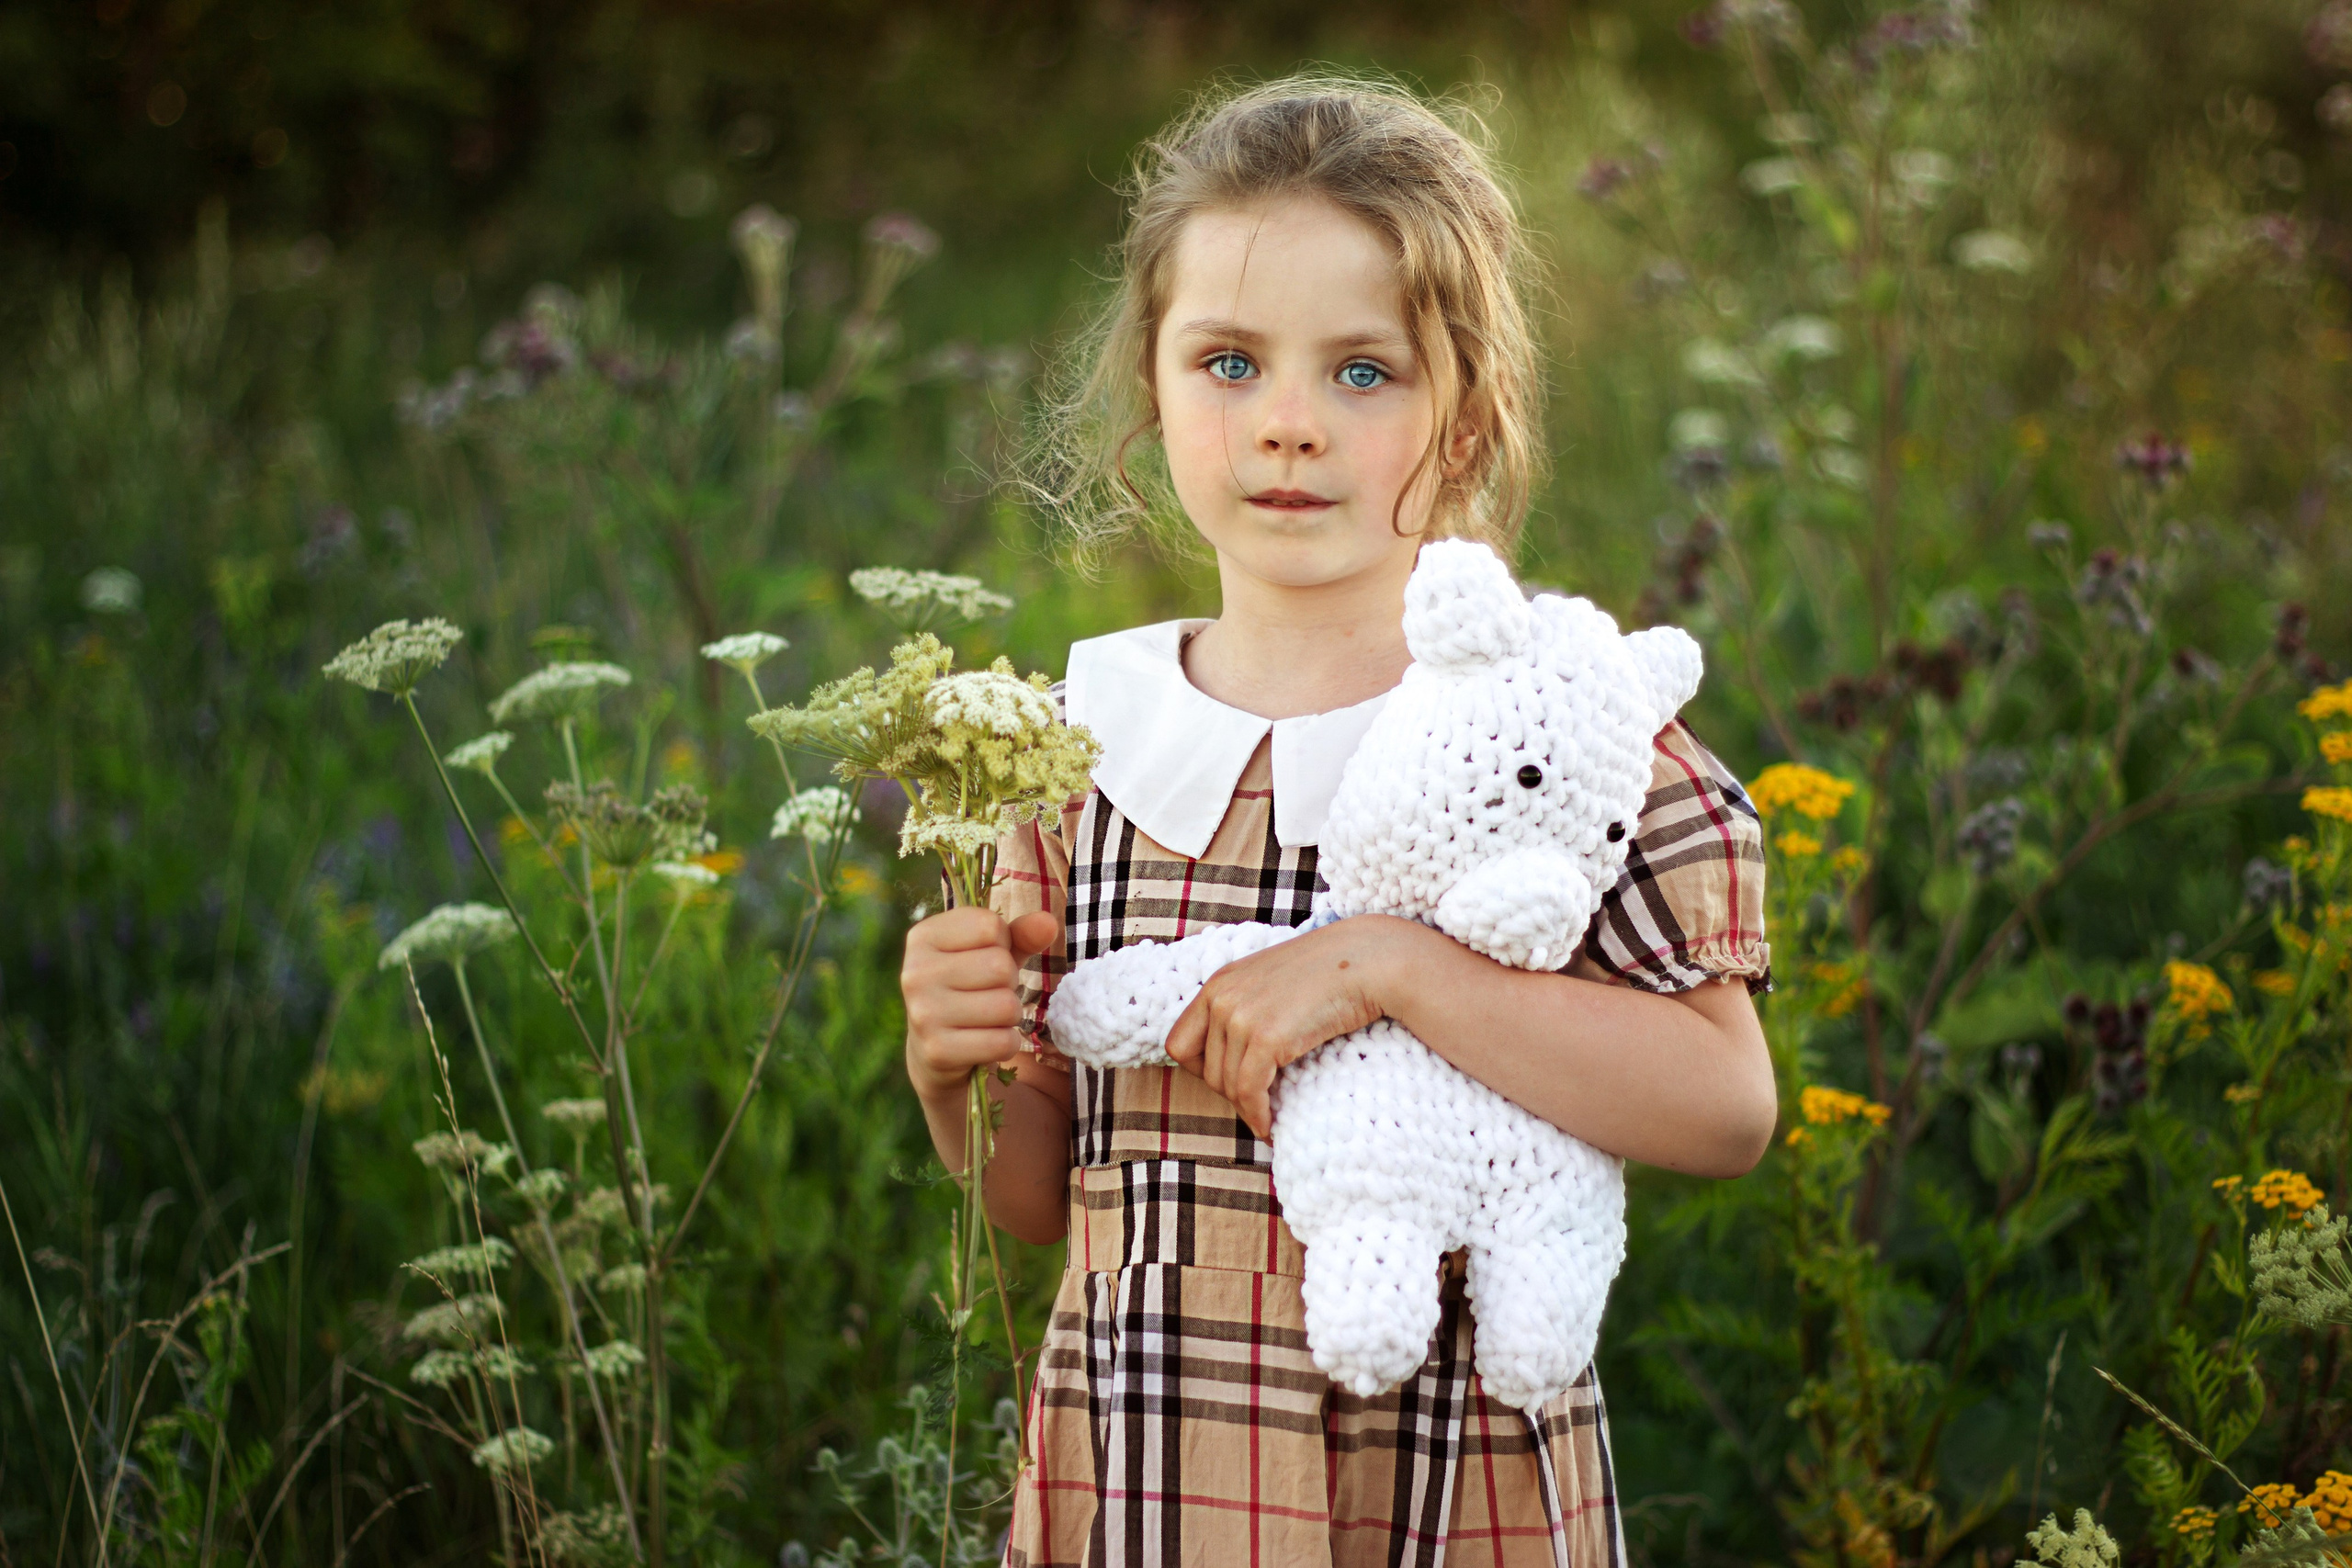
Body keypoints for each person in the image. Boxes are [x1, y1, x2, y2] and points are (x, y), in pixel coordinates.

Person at [899, 74, 1779, 1568]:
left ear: (1468, 409)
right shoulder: (1078, 752)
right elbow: (1039, 1195)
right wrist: (946, 1064)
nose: (1290, 425)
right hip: (1159, 1481)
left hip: (1450, 1495)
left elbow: (1724, 1108)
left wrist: (1395, 968)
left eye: (1363, 373)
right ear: (1153, 393)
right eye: (1229, 362)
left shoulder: (1550, 733)